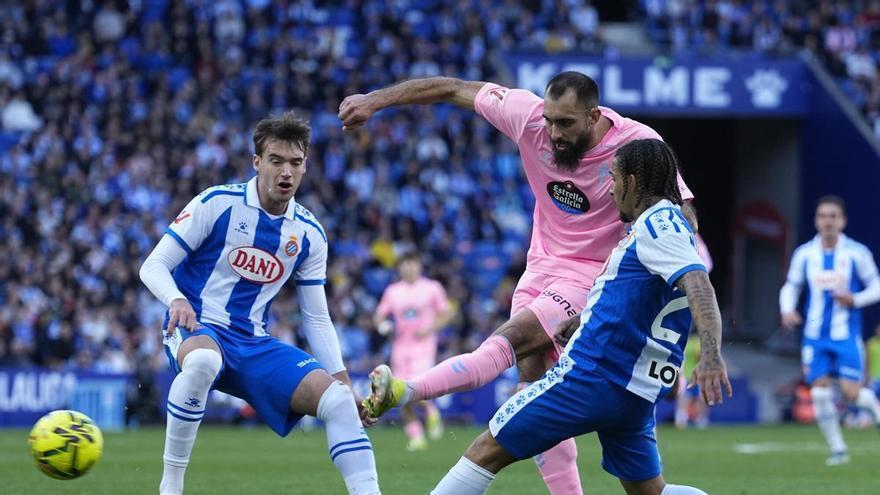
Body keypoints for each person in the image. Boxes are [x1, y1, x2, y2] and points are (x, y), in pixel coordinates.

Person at [340, 71, 696, 494]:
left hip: (591, 274)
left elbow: (683, 216)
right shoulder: (528, 118)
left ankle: (406, 390)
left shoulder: (639, 147)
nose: (553, 133)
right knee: (531, 386)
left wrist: (651, 289)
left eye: (565, 123)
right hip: (540, 266)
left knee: (511, 343)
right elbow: (453, 88)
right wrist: (374, 100)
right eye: (549, 120)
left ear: (594, 116)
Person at [429, 138, 731, 495]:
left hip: (593, 377)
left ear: (632, 181)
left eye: (614, 177)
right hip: (634, 392)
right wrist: (585, 319)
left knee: (487, 449)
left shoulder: (657, 226)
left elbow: (698, 283)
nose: (610, 186)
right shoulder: (671, 226)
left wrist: (711, 354)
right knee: (649, 490)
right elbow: (643, 295)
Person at [139, 112, 380, 495]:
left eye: (295, 163)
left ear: (305, 167)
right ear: (257, 162)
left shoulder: (309, 234)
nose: (286, 172)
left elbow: (316, 317)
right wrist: (177, 300)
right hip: (196, 327)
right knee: (202, 361)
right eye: (276, 160)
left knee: (338, 403)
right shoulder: (216, 203)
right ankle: (171, 488)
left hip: (252, 341)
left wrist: (342, 380)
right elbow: (153, 265)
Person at [779, 195, 880, 466]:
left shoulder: (856, 253)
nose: (828, 221)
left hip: (846, 335)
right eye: (823, 216)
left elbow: (877, 286)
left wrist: (855, 299)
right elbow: (791, 285)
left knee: (851, 393)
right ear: (816, 220)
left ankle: (877, 413)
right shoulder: (805, 254)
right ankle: (838, 450)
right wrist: (787, 309)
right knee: (820, 393)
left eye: (833, 216)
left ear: (843, 221)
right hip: (814, 336)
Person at [373, 252, 454, 451]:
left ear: (419, 266)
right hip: (400, 347)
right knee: (400, 393)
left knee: (417, 387)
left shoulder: (431, 288)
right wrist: (383, 325)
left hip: (424, 347)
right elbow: (379, 315)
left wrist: (430, 328)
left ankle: (431, 411)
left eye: (412, 263)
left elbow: (447, 314)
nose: (408, 268)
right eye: (405, 264)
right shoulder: (393, 291)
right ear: (400, 267)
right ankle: (416, 436)